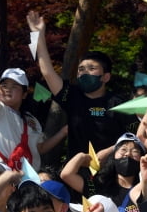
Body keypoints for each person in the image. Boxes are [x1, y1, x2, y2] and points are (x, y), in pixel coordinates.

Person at [27, 11, 138, 161]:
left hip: (111, 173)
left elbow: (134, 136)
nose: (85, 73)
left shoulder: (119, 103)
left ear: (106, 77)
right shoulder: (71, 96)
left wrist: (110, 151)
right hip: (76, 174)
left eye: (92, 69)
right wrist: (38, 36)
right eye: (81, 69)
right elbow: (47, 72)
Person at [61, 132, 145, 212]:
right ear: (113, 156)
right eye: (123, 150)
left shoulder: (146, 188)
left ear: (142, 158)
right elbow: (66, 175)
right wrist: (82, 156)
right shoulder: (100, 186)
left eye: (135, 151)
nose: (128, 155)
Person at [0, 68, 66, 171]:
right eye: (4, 85)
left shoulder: (31, 120)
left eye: (14, 86)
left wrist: (63, 132)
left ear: (24, 94)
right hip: (0, 174)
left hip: (27, 178)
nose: (7, 89)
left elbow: (39, 148)